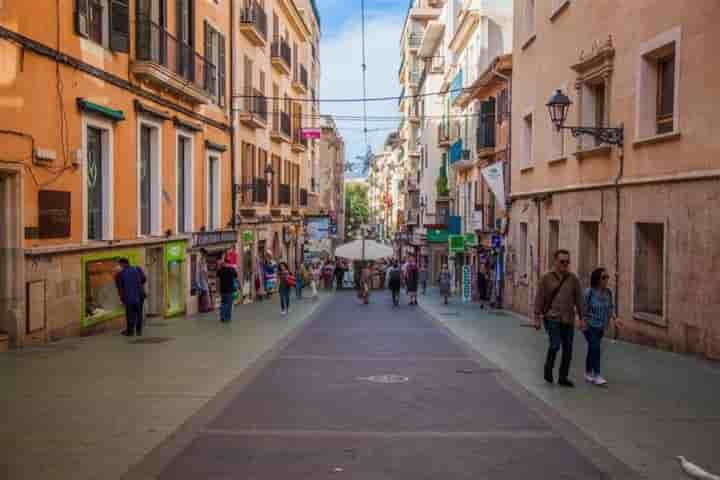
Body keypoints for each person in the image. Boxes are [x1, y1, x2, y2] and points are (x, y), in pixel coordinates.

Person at [533, 249, 586, 388]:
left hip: (568, 319)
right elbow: (539, 298)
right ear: (555, 261)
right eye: (562, 261)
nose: (565, 264)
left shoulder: (573, 279)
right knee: (555, 345)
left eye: (567, 262)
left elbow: (579, 299)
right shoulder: (546, 278)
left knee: (568, 350)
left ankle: (563, 377)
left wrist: (582, 318)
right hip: (552, 318)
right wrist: (536, 318)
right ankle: (548, 369)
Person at [583, 268, 614, 386]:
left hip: (601, 326)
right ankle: (597, 375)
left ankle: (587, 372)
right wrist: (583, 322)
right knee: (596, 348)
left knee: (592, 349)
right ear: (597, 279)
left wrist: (615, 319)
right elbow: (583, 308)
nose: (606, 279)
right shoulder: (589, 292)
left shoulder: (608, 292)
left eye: (607, 277)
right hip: (589, 325)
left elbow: (610, 307)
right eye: (604, 277)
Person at [115, 258, 147, 337]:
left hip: (129, 297)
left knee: (130, 315)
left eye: (119, 264)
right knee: (139, 314)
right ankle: (139, 331)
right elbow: (144, 279)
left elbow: (120, 289)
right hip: (139, 296)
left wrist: (122, 299)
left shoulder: (119, 275)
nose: (119, 266)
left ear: (123, 264)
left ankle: (130, 331)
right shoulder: (137, 269)